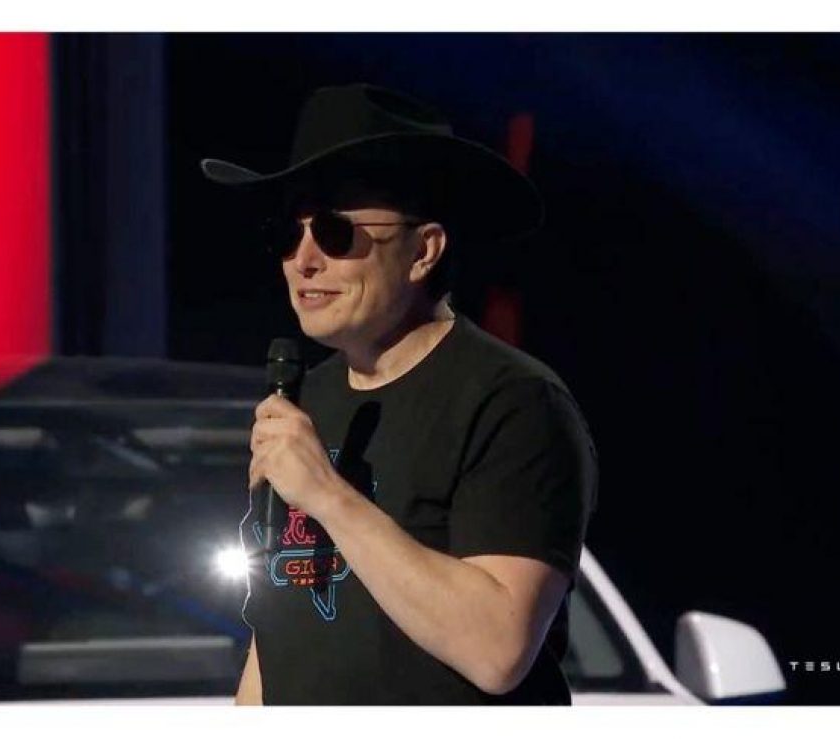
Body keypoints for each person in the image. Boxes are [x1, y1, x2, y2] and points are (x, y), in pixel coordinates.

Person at [201, 83, 598, 705]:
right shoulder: (304, 401)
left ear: (423, 251)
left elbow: (497, 649)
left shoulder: (514, 403)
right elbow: (275, 636)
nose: (304, 261)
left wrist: (328, 495)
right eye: (286, 234)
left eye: (336, 233)